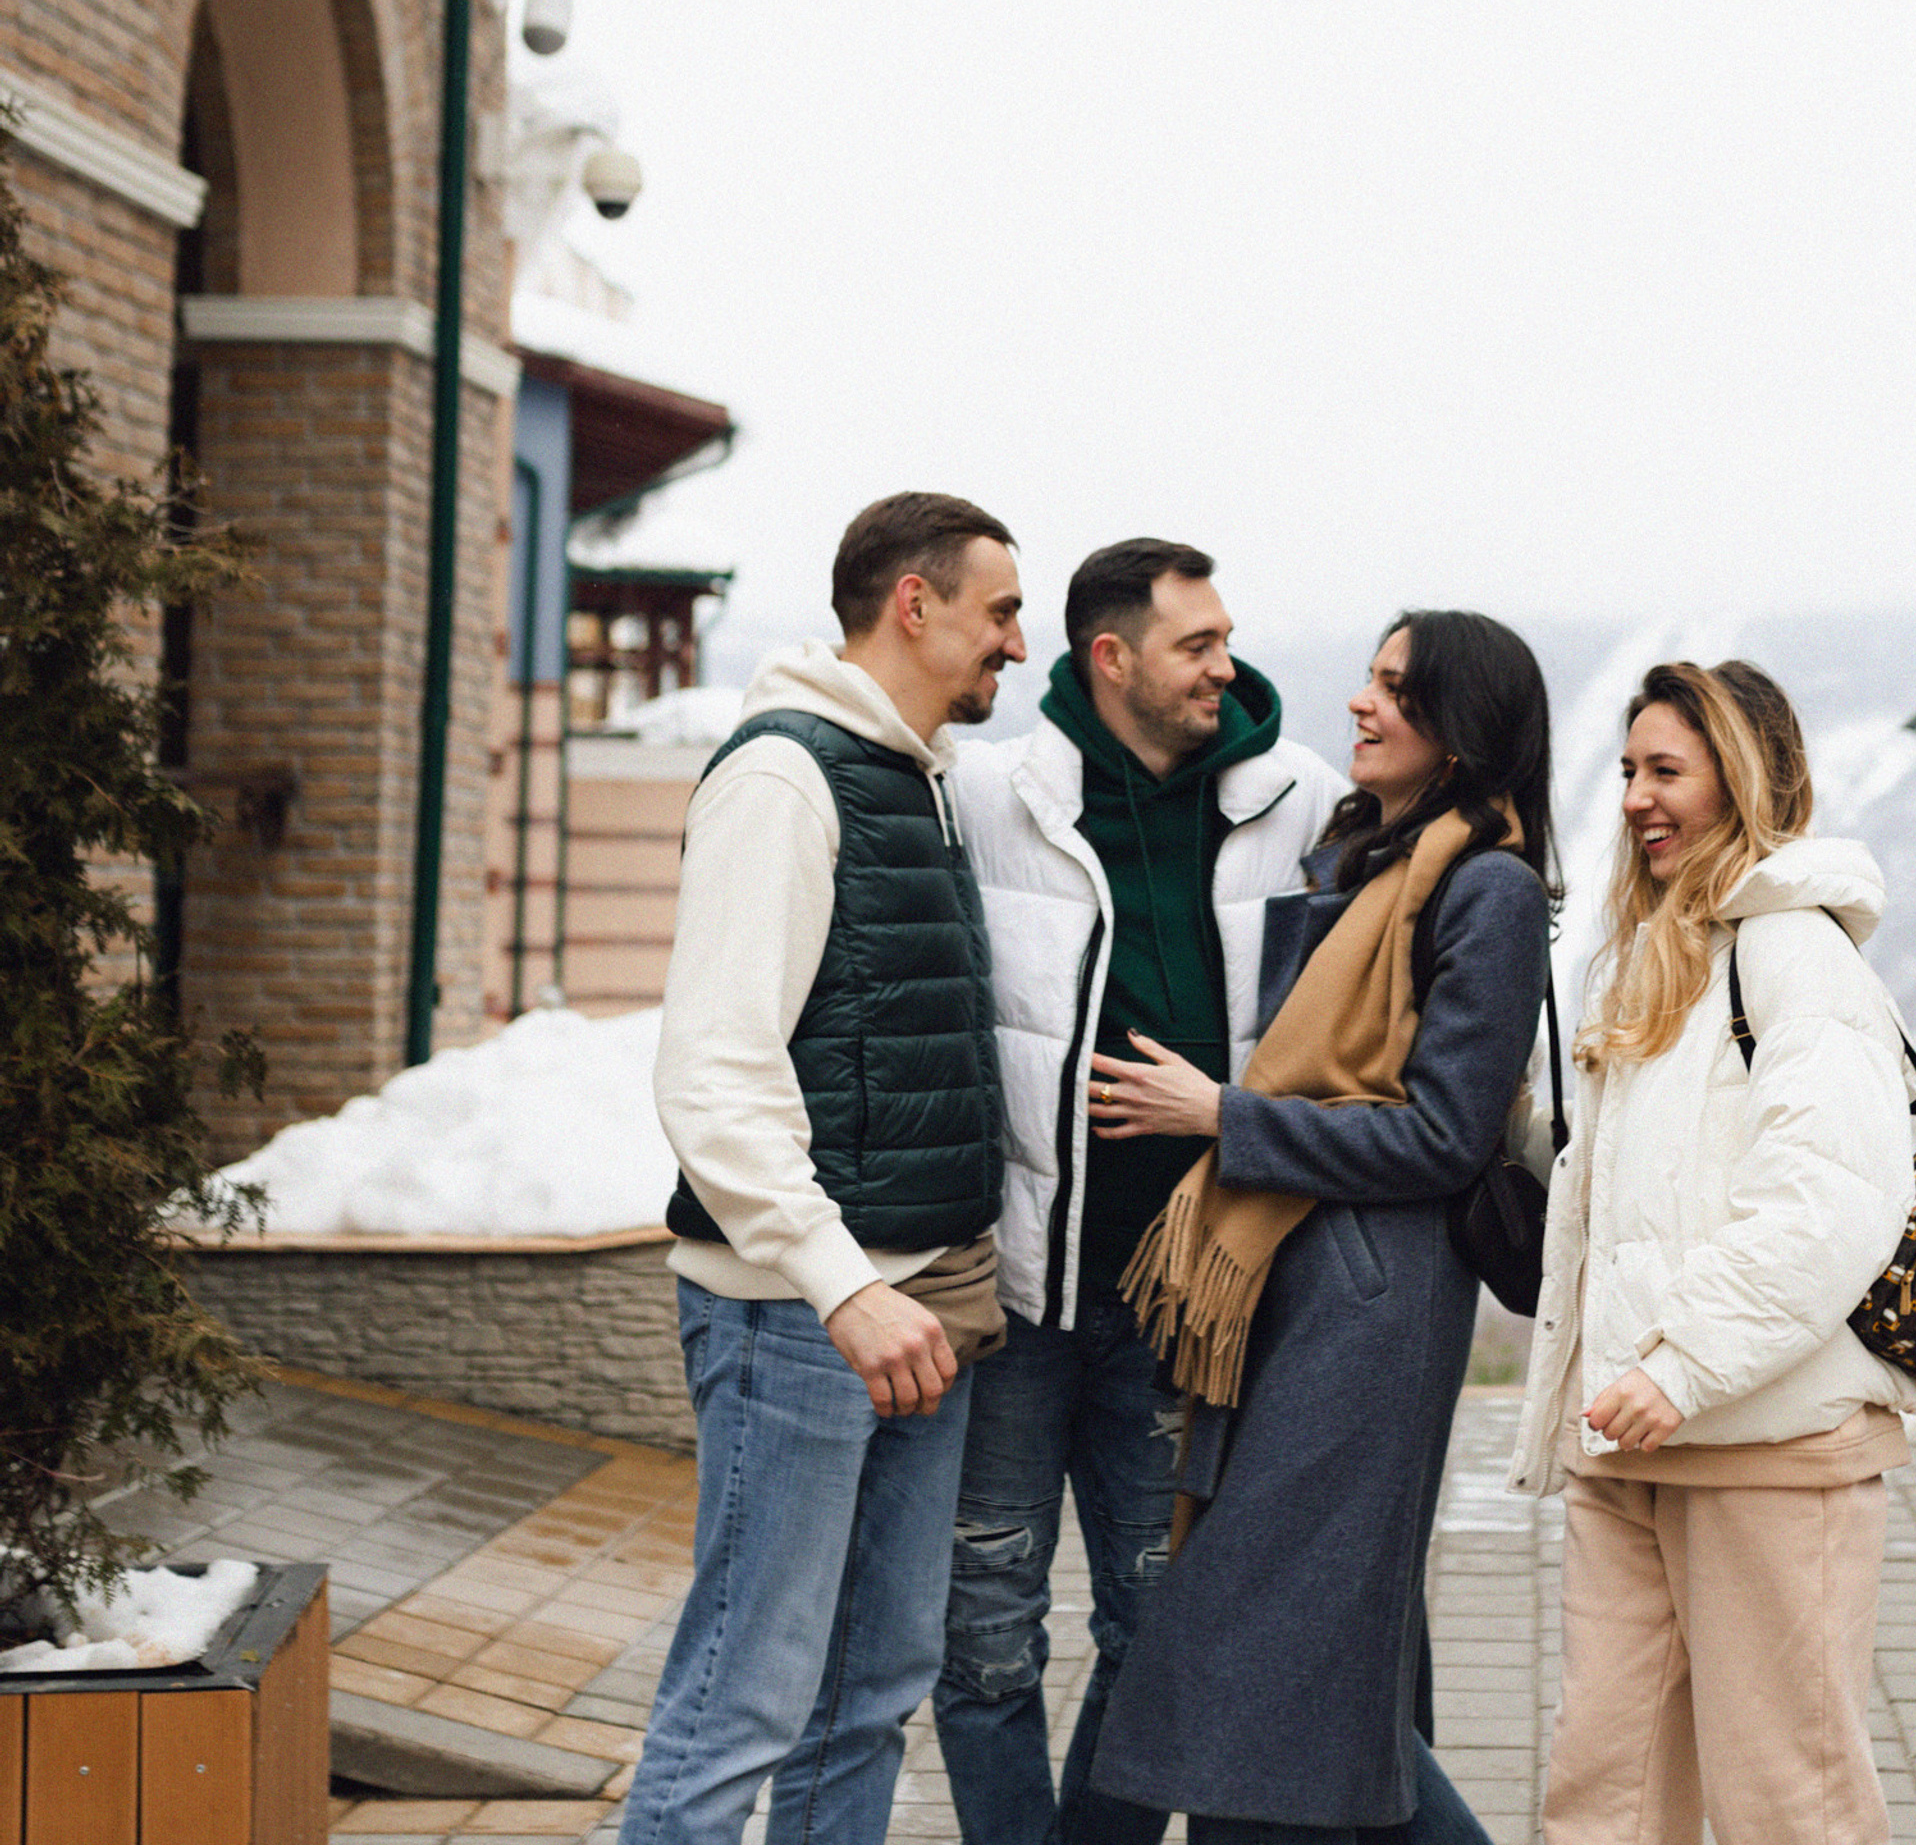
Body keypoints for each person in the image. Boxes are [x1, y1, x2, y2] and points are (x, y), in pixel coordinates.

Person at [1082, 610, 1559, 1845]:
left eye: (1394, 689)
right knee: (1307, 1682)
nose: (1360, 702)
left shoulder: (1486, 889)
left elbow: (1443, 1139)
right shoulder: (1371, 863)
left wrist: (1222, 1116)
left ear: (1458, 728)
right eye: (1368, 678)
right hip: (1297, 1297)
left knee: (1256, 1664)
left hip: (1370, 1318)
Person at [619, 493, 1029, 1845]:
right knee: (745, 1696)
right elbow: (714, 1076)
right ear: (915, 605)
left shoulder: (918, 773)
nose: (1015, 647)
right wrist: (841, 1286)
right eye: (1000, 613)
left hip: (915, 1314)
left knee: (866, 1695)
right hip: (803, 1320)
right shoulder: (784, 775)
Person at [936, 540, 1345, 1845]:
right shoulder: (990, 796)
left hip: (1183, 1308)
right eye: (1195, 646)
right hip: (1012, 1302)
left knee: (1161, 1634)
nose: (1225, 669)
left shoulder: (1300, 806)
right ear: (1111, 659)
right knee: (988, 1643)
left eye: (1225, 639)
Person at [1508, 659, 1916, 1845]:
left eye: (1668, 771)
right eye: (1630, 769)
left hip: (1764, 1450)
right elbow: (1647, 1192)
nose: (1639, 796)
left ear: (1740, 784)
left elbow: (1826, 1203)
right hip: (1632, 1447)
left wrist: (1679, 1364)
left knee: (1786, 1803)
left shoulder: (1794, 957)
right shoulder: (1659, 957)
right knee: (1606, 1795)